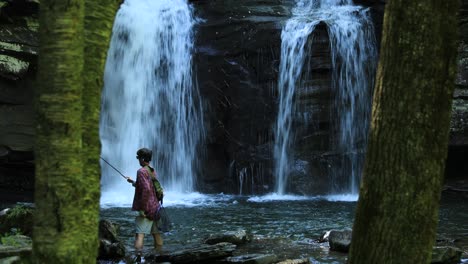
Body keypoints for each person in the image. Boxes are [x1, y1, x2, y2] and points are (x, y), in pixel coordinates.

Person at [125, 148, 163, 258]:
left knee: (139, 235)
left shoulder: (141, 171)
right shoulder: (151, 170)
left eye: (138, 158)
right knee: (156, 234)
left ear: (142, 158)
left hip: (146, 209)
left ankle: (137, 259)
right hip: (155, 207)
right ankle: (160, 256)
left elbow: (146, 189)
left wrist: (142, 209)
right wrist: (133, 182)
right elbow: (149, 187)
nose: (138, 160)